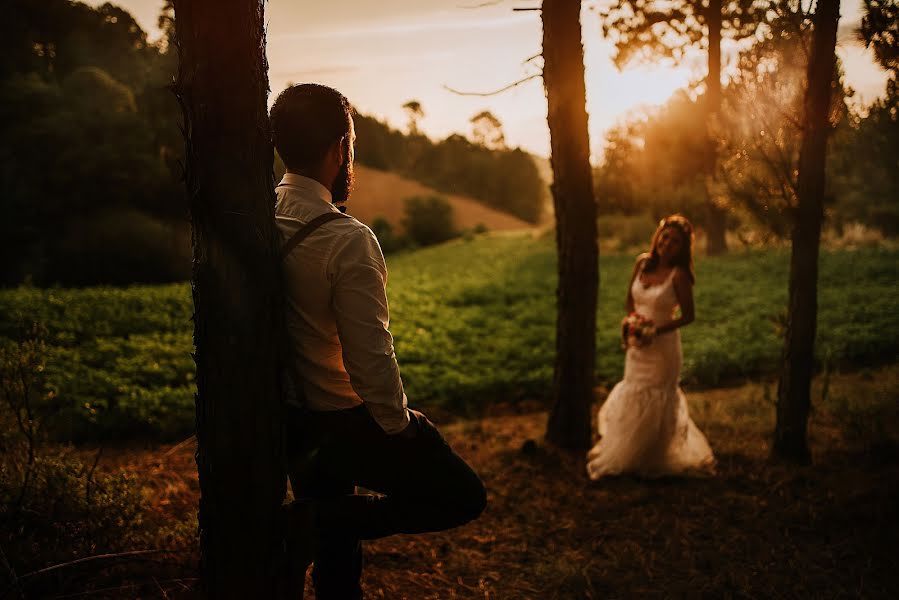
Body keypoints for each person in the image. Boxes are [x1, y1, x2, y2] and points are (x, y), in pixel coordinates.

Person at [271, 83, 486, 598]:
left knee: (338, 557)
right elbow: (370, 356)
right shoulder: (346, 239)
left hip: (287, 419)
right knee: (461, 496)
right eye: (352, 144)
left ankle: (321, 523)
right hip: (340, 420)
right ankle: (319, 521)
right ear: (337, 148)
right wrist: (400, 424)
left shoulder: (260, 216)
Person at [586, 215, 716, 481]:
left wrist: (655, 331)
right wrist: (632, 324)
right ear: (657, 236)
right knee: (633, 392)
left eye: (675, 242)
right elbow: (630, 301)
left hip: (663, 350)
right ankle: (629, 453)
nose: (667, 244)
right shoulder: (642, 262)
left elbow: (688, 316)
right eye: (665, 237)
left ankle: (654, 458)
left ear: (682, 248)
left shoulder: (679, 276)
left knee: (657, 398)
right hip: (637, 346)